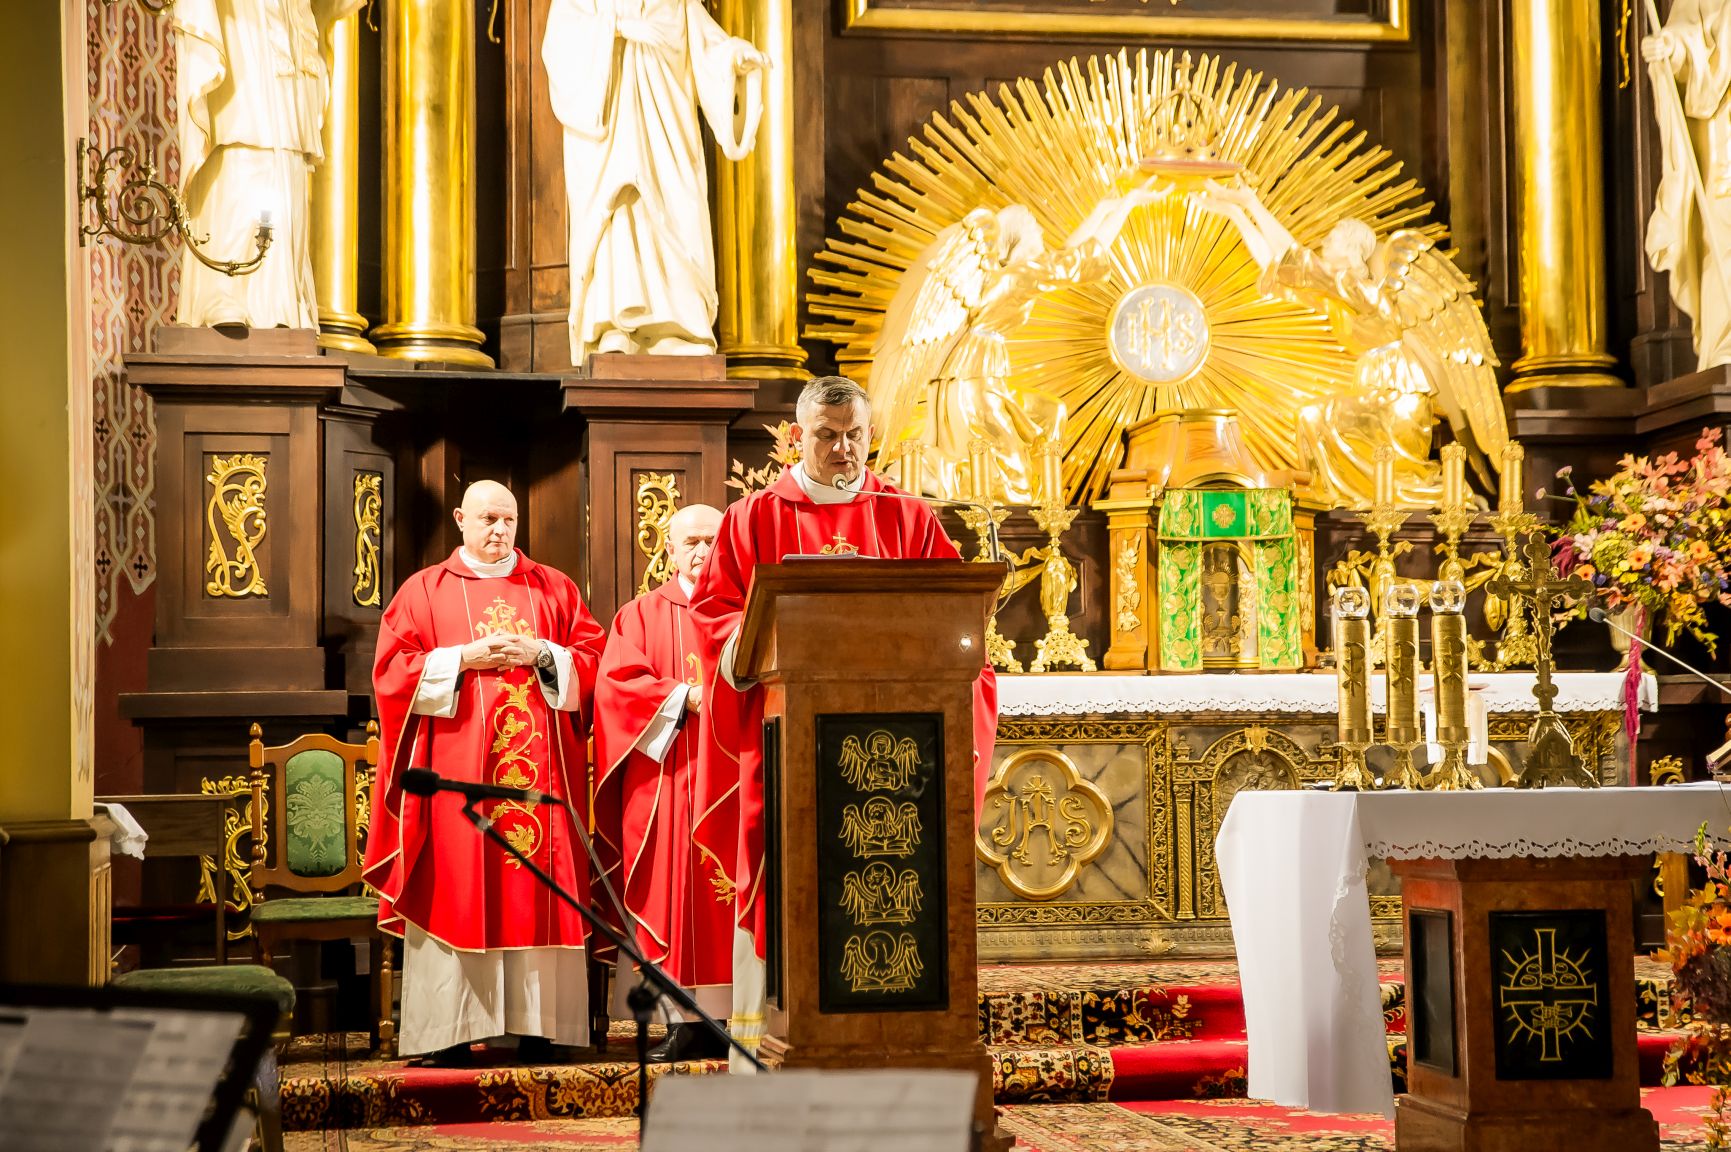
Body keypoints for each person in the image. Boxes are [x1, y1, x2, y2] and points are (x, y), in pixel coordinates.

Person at [688, 376, 999, 1070]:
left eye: (854, 435)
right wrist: (763, 639)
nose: (842, 449)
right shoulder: (754, 517)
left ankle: (905, 1054)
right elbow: (714, 616)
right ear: (797, 437)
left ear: (869, 435)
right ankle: (777, 1057)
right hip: (791, 751)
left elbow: (957, 621)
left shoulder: (907, 517)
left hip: (902, 756)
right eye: (826, 436)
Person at [364, 480, 605, 1065]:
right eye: (487, 518)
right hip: (456, 780)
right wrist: (461, 659)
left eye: (508, 519)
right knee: (457, 890)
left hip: (539, 782)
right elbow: (391, 673)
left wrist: (544, 654)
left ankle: (542, 1029)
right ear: (460, 519)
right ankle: (450, 1032)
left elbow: (596, 662)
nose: (499, 530)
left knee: (537, 889)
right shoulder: (424, 591)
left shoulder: (554, 588)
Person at [542, 0, 769, 367]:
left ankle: (681, 326)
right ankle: (614, 326)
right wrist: (615, 28)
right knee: (618, 215)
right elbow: (559, 44)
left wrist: (733, 59)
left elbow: (707, 47)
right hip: (610, 135)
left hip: (668, 137)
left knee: (678, 217)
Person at [593, 503, 732, 1062]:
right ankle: (682, 1020)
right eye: (691, 542)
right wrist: (683, 696)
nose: (702, 551)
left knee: (734, 898)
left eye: (712, 540)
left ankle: (742, 1015)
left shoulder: (749, 611)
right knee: (669, 895)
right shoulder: (641, 615)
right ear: (670, 550)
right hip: (668, 779)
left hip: (735, 780)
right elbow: (617, 687)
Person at [172, 0, 357, 328]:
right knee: (242, 139)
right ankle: (223, 289)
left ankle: (278, 302)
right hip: (242, 28)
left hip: (287, 34)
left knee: (285, 156)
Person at [1645, 0, 1731, 370]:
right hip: (1723, 137)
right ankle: (1725, 338)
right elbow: (1692, 33)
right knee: (1723, 237)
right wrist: (1672, 48)